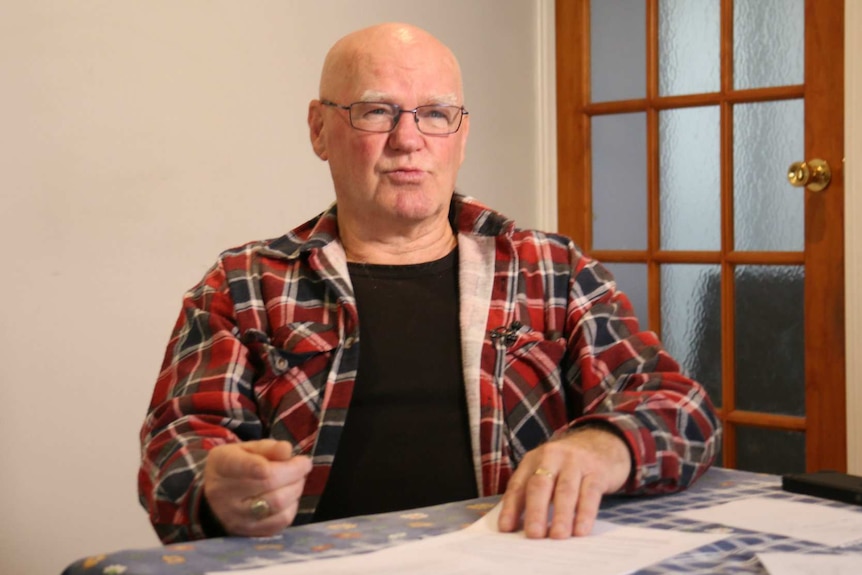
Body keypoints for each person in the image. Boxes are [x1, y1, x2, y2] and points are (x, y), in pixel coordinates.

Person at [138, 22, 721, 545]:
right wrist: (214, 487)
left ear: (461, 136)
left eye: (436, 114)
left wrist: (603, 446)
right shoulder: (243, 286)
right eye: (376, 111)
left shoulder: (552, 271)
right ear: (319, 129)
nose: (408, 139)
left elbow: (683, 410)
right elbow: (174, 449)